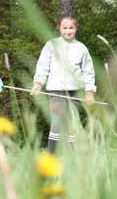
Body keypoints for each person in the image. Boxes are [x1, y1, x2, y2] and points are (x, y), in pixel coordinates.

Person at [30, 15, 96, 153]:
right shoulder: (51, 45)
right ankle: (51, 157)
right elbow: (43, 66)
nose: (68, 31)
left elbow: (88, 71)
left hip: (75, 92)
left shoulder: (82, 48)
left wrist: (89, 92)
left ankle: (73, 158)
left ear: (76, 29)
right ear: (59, 28)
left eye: (71, 28)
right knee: (57, 123)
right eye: (65, 27)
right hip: (56, 91)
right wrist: (38, 84)